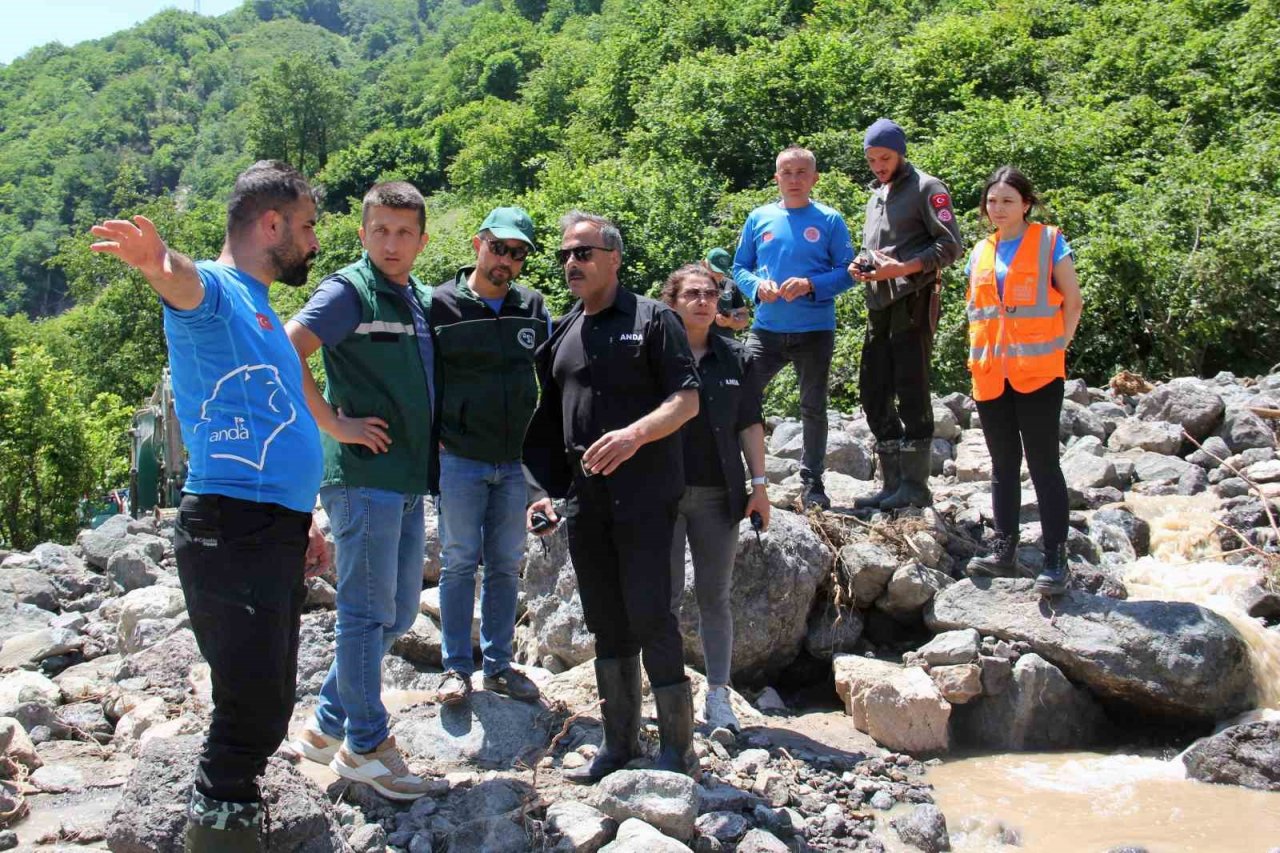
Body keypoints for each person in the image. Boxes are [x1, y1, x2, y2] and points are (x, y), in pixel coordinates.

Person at [90, 160, 325, 851]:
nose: (313, 242)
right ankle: (217, 831)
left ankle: (232, 821)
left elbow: (284, 414)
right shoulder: (220, 290)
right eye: (307, 226)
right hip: (231, 524)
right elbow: (180, 281)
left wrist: (303, 513)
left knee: (270, 704)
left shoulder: (261, 308)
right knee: (249, 707)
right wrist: (155, 259)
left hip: (271, 526)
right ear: (271, 223)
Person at [524, 211, 702, 780]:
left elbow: (687, 400)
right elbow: (547, 427)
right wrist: (542, 495)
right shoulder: (562, 335)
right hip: (586, 502)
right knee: (606, 620)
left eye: (584, 252)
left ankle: (679, 748)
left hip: (647, 495)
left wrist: (634, 435)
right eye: (566, 255)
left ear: (614, 258)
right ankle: (618, 744)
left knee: (652, 615)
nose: (573, 263)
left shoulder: (654, 320)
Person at [285, 181, 435, 800]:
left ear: (422, 240)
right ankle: (366, 745)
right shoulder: (351, 291)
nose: (392, 243)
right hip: (362, 479)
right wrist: (332, 422)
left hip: (403, 477)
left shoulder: (416, 298)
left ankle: (326, 724)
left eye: (404, 233)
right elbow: (286, 346)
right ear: (362, 233)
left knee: (396, 613)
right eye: (381, 231)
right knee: (364, 613)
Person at [430, 207, 549, 706]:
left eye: (518, 252)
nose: (507, 260)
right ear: (479, 242)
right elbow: (424, 377)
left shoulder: (533, 306)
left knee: (505, 563)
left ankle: (498, 665)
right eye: (499, 247)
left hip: (515, 459)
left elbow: (554, 377)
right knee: (459, 562)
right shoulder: (440, 303)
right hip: (460, 455)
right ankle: (455, 667)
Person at [962, 166, 1083, 596]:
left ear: (1026, 204)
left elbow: (1073, 300)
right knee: (1002, 464)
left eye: (1007, 201)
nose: (998, 208)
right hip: (992, 372)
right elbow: (979, 314)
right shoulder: (980, 251)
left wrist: (1057, 346)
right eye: (992, 201)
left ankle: (1055, 556)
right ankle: (1003, 548)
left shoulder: (1049, 241)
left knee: (1044, 464)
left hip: (1037, 371)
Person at [659, 264, 770, 732]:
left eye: (710, 293)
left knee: (715, 597)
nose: (703, 301)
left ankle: (719, 696)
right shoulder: (655, 352)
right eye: (692, 294)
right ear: (673, 301)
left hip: (717, 494)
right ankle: (664, 692)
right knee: (659, 598)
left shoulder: (736, 357)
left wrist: (760, 485)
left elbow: (750, 422)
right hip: (660, 493)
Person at [732, 145, 856, 510]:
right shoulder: (759, 217)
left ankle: (812, 484)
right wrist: (756, 287)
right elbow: (740, 267)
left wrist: (811, 284)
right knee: (741, 396)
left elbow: (849, 271)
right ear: (776, 179)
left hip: (815, 329)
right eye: (787, 173)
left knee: (813, 407)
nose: (794, 179)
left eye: (802, 172)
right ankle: (739, 476)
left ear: (815, 178)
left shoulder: (830, 219)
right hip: (766, 329)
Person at [850, 118, 963, 511]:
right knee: (873, 390)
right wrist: (861, 265)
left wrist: (900, 268)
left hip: (913, 300)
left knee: (912, 390)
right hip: (879, 304)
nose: (878, 166)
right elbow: (881, 249)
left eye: (885, 157)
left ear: (901, 153)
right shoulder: (876, 194)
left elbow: (950, 247)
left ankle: (915, 487)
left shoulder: (927, 188)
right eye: (871, 159)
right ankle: (892, 483)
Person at [703, 247, 749, 334]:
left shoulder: (730, 285)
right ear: (705, 264)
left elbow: (744, 317)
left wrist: (731, 322)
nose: (718, 275)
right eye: (714, 270)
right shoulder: (692, 285)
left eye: (721, 271)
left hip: (725, 343)